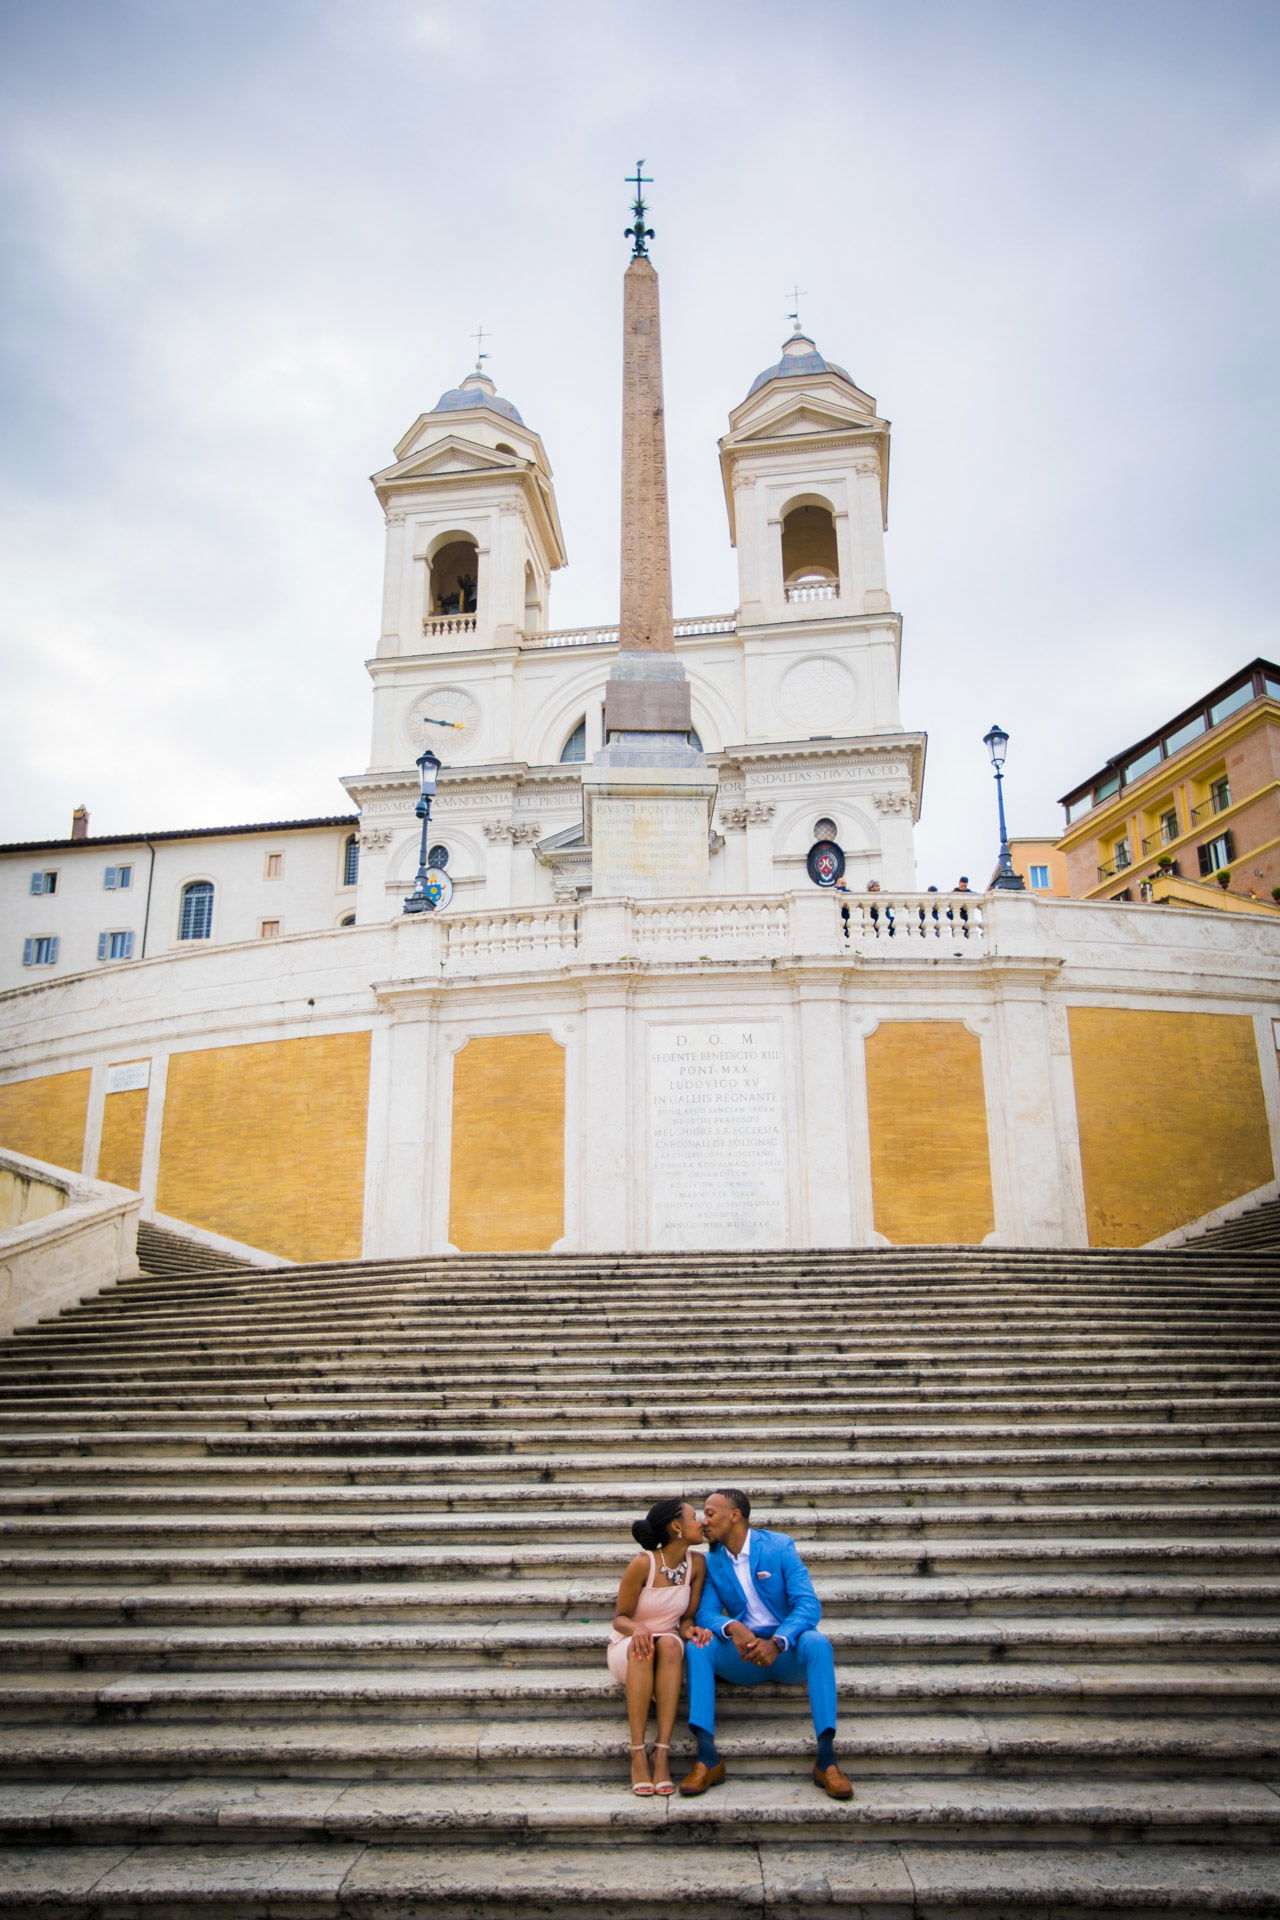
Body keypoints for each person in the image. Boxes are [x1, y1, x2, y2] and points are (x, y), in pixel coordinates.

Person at [679, 1489, 853, 1801]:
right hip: (742, 1656)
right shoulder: (712, 1560)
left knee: (818, 1643)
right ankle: (707, 1758)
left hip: (786, 1654)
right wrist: (732, 1627)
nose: (704, 1521)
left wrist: (777, 1641)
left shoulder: (778, 1545)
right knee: (698, 1648)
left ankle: (826, 1760)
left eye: (710, 1513)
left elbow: (808, 1605)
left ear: (735, 1515)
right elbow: (705, 1613)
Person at [608, 1497, 710, 1795]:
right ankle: (638, 1751)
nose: (701, 1522)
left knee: (666, 1643)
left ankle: (662, 1751)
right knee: (647, 1646)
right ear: (677, 1527)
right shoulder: (643, 1564)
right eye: (695, 1517)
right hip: (629, 1647)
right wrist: (638, 1627)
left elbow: (686, 1619)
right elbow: (620, 1619)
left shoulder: (697, 1564)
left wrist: (692, 1632)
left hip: (667, 1647)